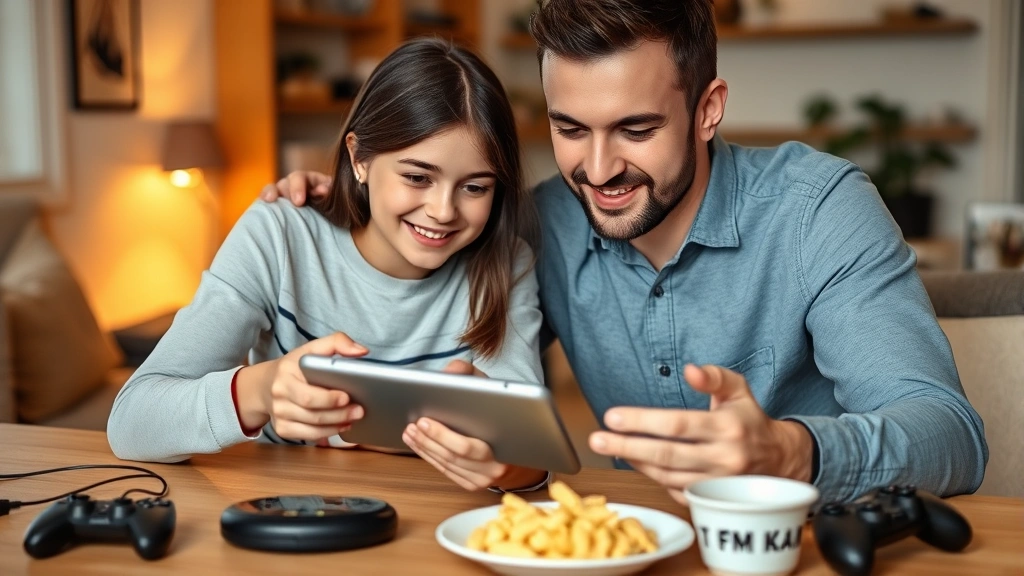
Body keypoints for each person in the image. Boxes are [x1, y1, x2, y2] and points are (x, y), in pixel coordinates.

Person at [262, 0, 987, 504]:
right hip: (633, 550)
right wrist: (341, 211)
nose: (599, 169)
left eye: (636, 130)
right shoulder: (538, 224)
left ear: (708, 109)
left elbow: (951, 437)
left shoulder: (819, 211)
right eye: (570, 129)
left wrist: (791, 452)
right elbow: (410, 305)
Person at [107, 38, 552, 493]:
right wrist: (260, 390)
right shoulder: (280, 235)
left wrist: (506, 465)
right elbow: (132, 422)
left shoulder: (504, 263)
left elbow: (531, 452)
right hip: (281, 508)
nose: (442, 211)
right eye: (417, 177)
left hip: (430, 514)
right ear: (359, 158)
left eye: (475, 187)